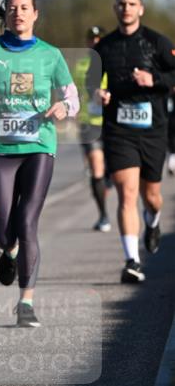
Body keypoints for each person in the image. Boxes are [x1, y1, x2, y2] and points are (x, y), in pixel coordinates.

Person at [0, 0, 79, 327]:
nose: (18, 13)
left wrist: (64, 107)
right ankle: (8, 250)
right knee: (2, 231)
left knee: (27, 222)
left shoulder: (50, 55)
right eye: (12, 8)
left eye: (25, 7)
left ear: (35, 14)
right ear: (6, 15)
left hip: (39, 146)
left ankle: (26, 302)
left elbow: (73, 97)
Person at [92, 0, 175, 282]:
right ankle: (132, 261)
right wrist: (98, 93)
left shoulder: (157, 42)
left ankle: (152, 220)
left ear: (140, 9)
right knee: (126, 193)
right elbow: (90, 82)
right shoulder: (105, 46)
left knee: (151, 196)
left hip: (153, 129)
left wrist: (155, 78)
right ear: (115, 8)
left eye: (131, 4)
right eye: (121, 4)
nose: (126, 8)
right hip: (119, 130)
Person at [72, 25, 111, 231]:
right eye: (92, 38)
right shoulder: (81, 64)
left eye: (99, 38)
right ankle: (103, 215)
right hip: (89, 123)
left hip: (112, 122)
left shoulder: (112, 59)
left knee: (112, 171)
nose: (95, 42)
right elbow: (74, 91)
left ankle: (107, 181)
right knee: (96, 168)